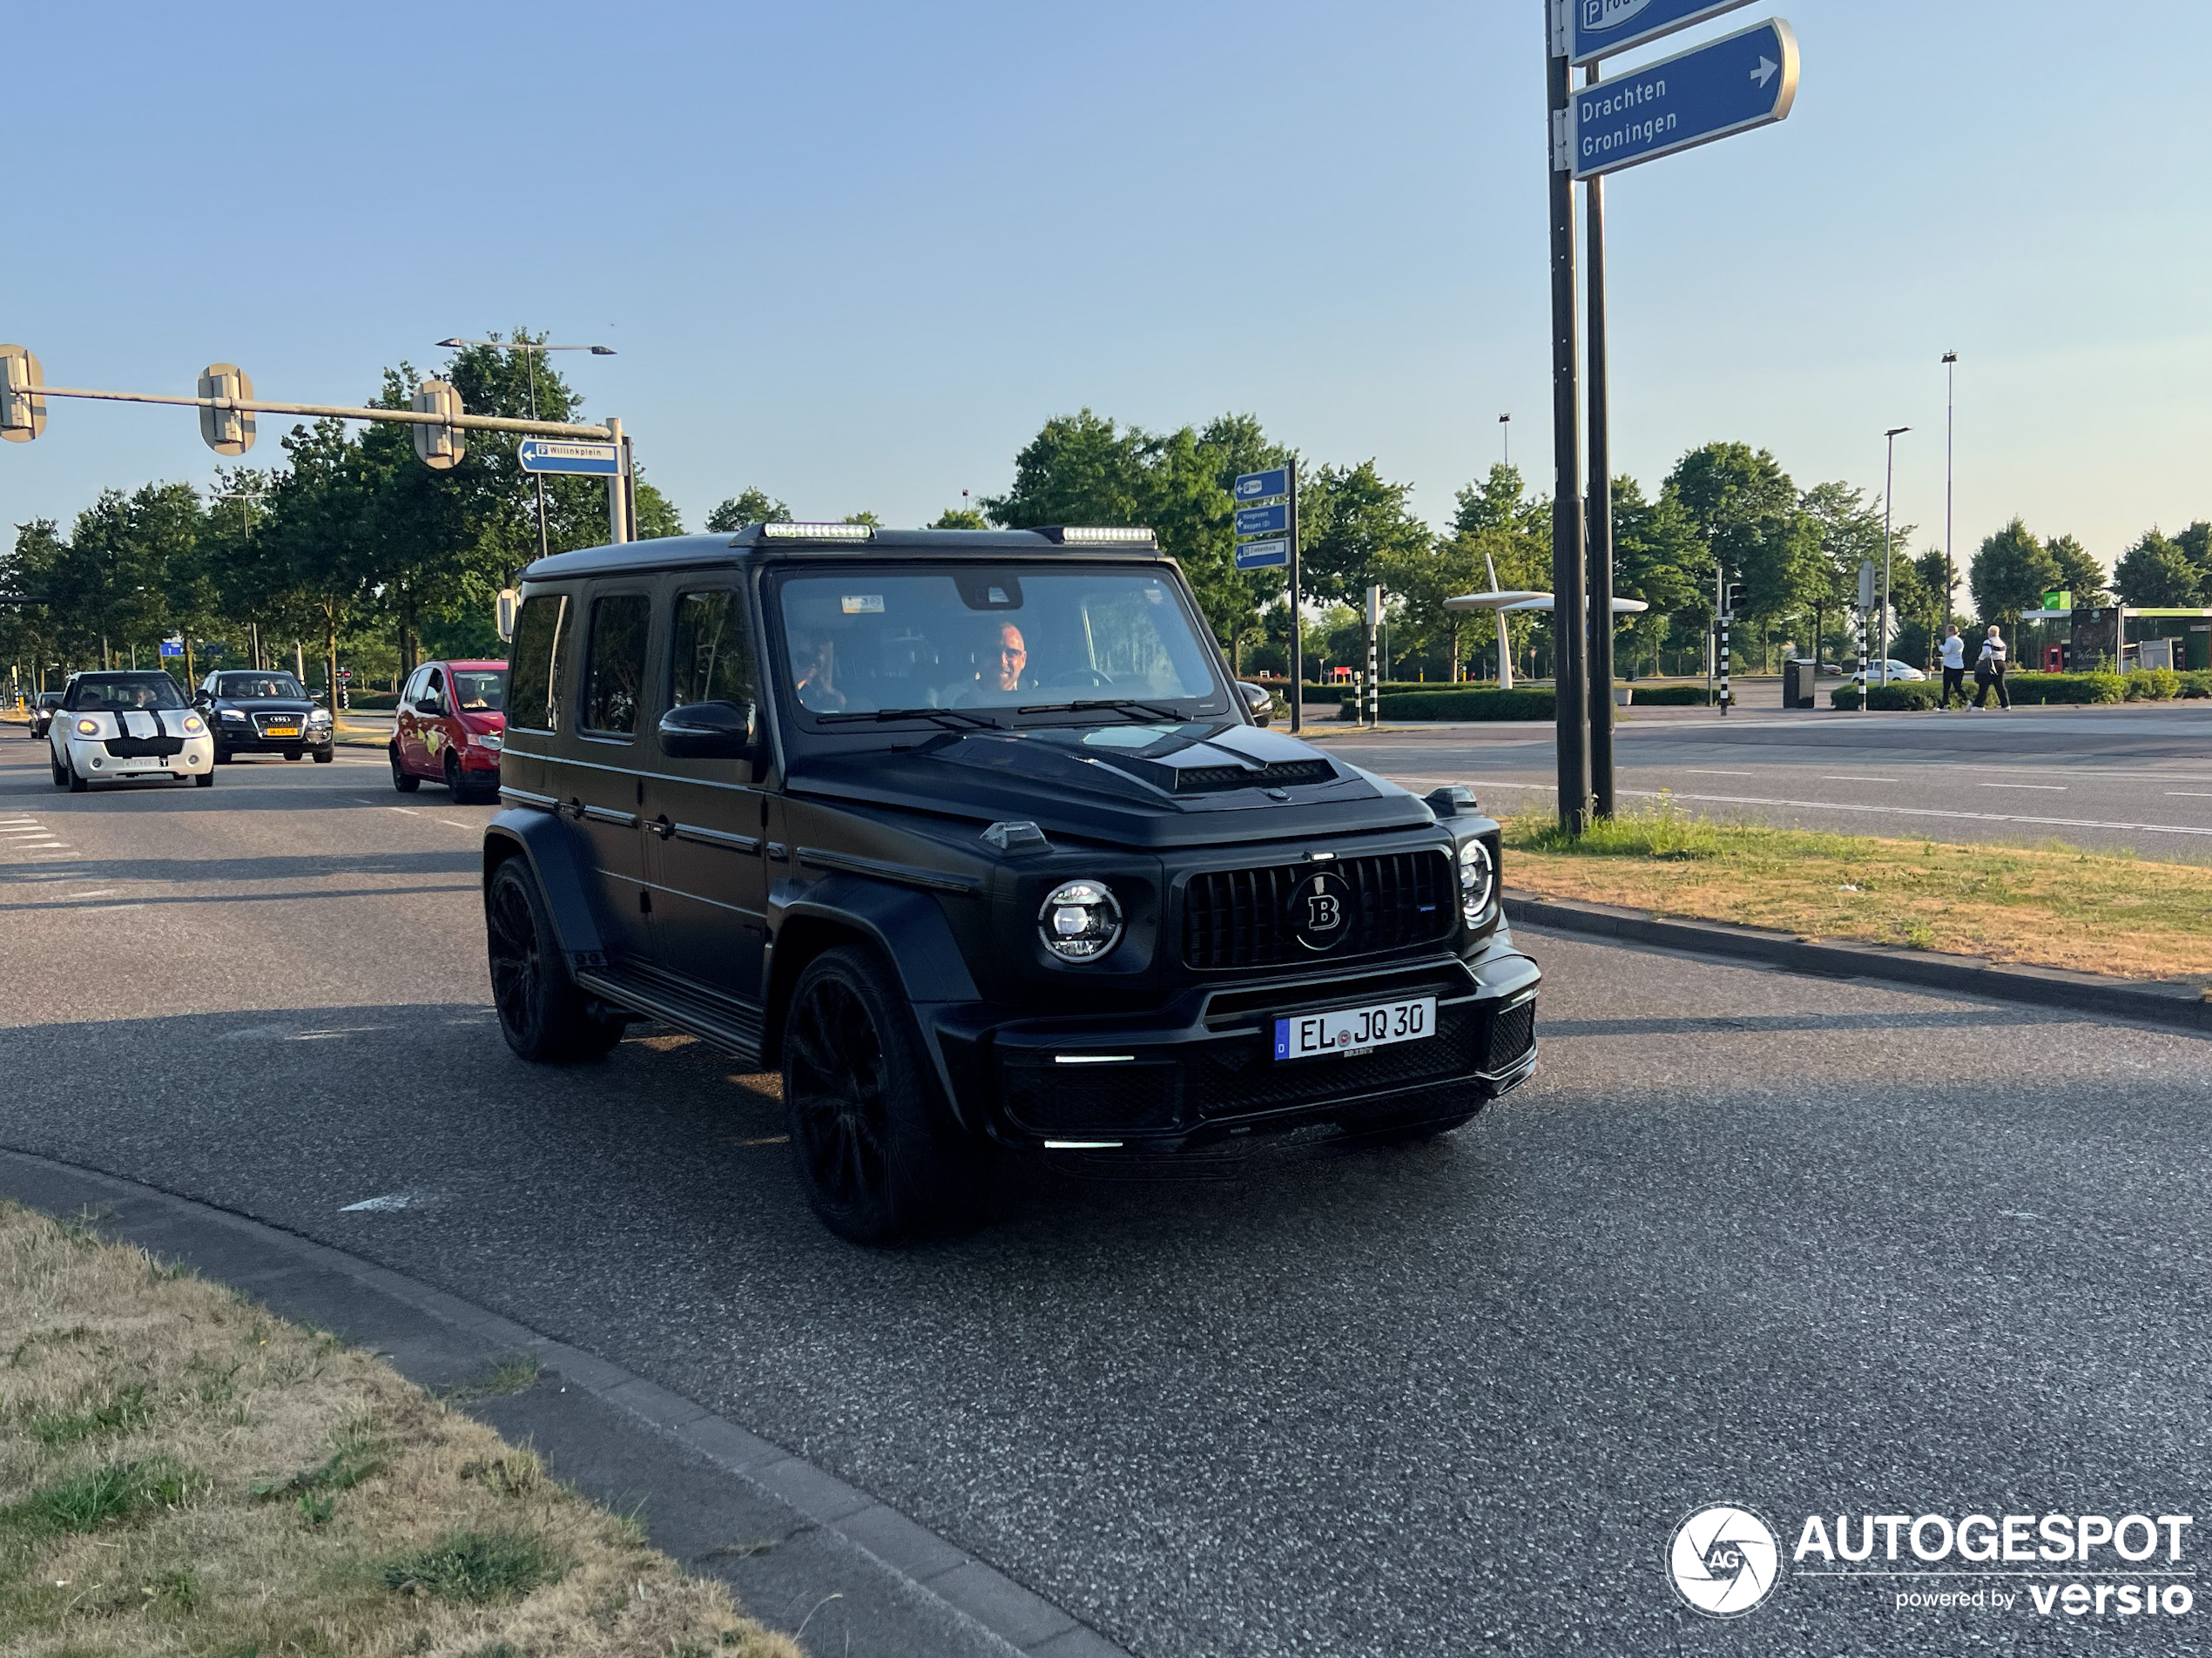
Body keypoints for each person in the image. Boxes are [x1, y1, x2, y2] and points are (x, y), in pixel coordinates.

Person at [1973, 624, 2009, 709]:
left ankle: (1978, 705)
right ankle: (2006, 704)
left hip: (1991, 664)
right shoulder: (2002, 643)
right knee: (1999, 685)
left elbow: (1986, 652)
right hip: (2002, 663)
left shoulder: (1988, 642)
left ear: (1989, 633)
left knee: (1984, 685)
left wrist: (1980, 659)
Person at [1939, 624, 1968, 708]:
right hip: (1959, 666)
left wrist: (1939, 646)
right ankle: (1967, 700)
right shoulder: (1960, 641)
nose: (1946, 633)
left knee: (1946, 686)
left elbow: (1946, 650)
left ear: (1951, 631)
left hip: (1949, 666)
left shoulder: (1949, 640)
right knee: (1958, 687)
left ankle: (1945, 704)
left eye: (1947, 631)